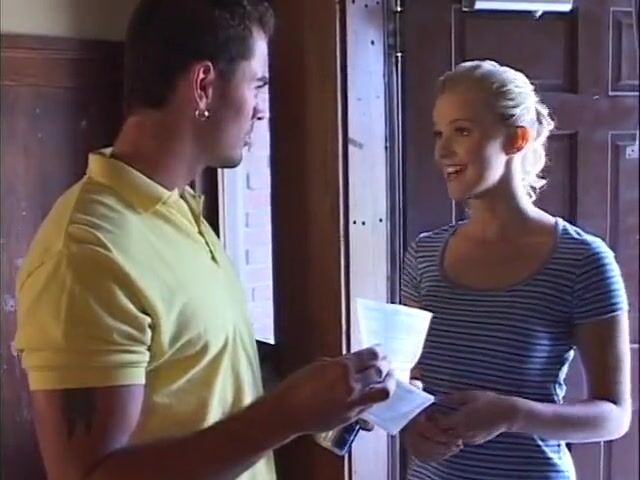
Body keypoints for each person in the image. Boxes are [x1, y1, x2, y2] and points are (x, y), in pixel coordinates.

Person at [13, 1, 395, 479]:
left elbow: (198, 387)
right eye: (257, 85)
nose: (261, 110)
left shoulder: (178, 209)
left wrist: (320, 399)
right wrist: (285, 416)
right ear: (204, 85)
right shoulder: (88, 250)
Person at [400, 60, 631, 480]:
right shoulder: (424, 254)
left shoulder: (582, 259)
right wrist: (409, 424)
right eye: (438, 133)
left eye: (462, 131)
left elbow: (613, 416)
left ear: (517, 139)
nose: (442, 151)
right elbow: (409, 380)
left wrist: (512, 414)